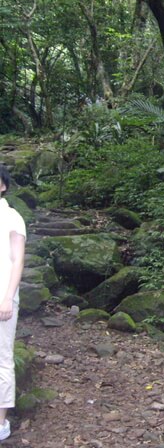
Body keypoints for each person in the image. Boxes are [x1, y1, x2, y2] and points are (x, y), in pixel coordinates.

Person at [0, 166, 26, 441]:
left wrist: (8, 296)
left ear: (3, 186)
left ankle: (1, 422)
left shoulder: (12, 217)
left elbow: (18, 259)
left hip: (2, 296)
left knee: (2, 358)